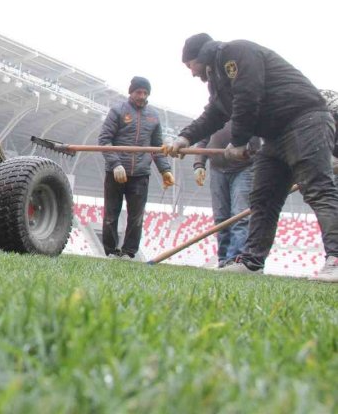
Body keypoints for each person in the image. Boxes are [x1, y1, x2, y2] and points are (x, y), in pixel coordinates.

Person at [164, 33, 338, 282]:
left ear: (200, 56)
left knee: (318, 189)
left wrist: (239, 141)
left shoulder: (236, 53)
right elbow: (214, 113)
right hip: (275, 135)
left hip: (304, 121)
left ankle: (336, 258)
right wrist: (185, 138)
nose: (191, 72)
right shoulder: (218, 79)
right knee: (263, 198)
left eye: (189, 65)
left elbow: (248, 95)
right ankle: (252, 262)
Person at [98, 76, 175, 259]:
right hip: (116, 173)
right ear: (131, 92)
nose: (142, 96)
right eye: (138, 92)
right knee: (111, 215)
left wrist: (166, 170)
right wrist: (115, 164)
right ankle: (110, 252)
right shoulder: (117, 111)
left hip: (140, 174)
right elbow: (104, 140)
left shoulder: (153, 116)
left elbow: (157, 147)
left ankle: (129, 253)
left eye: (145, 92)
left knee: (136, 217)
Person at [193, 122, 260, 267]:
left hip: (244, 167)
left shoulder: (250, 106)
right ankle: (223, 260)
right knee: (221, 217)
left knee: (240, 215)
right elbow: (203, 139)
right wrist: (199, 164)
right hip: (217, 168)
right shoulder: (217, 110)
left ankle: (235, 259)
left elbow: (258, 139)